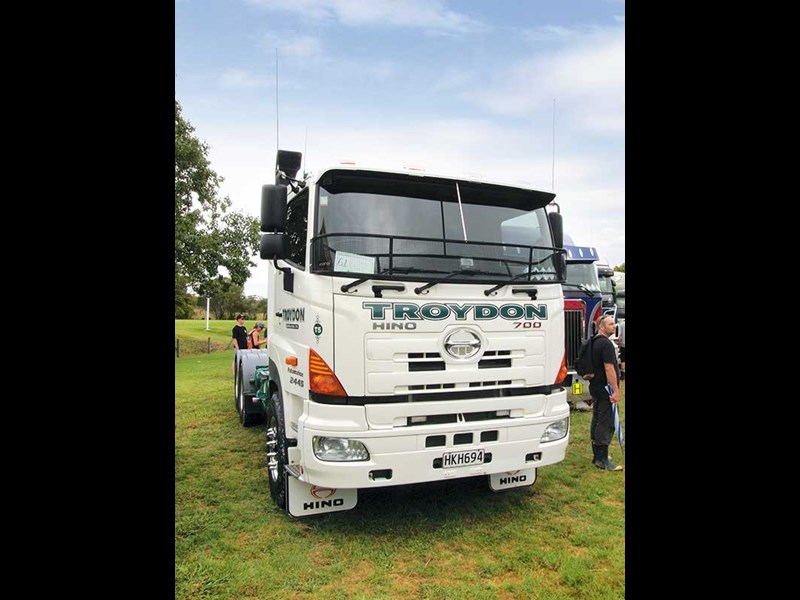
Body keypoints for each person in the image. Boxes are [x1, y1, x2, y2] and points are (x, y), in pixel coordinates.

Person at [589, 313, 623, 471]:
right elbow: (609, 368)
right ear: (601, 326)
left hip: (595, 386)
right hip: (605, 388)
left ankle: (597, 455)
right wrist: (615, 391)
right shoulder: (606, 344)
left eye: (614, 323)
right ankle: (602, 460)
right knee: (605, 421)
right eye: (610, 324)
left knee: (596, 417)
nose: (614, 326)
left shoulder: (593, 342)